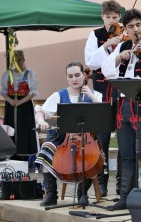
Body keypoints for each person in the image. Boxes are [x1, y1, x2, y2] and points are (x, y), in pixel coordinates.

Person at [102, 8, 141, 210]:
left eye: (138, 25)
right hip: (124, 106)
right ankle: (125, 198)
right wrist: (119, 57)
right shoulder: (124, 46)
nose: (136, 29)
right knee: (126, 153)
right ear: (125, 29)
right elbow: (107, 70)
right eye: (131, 26)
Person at [34, 62, 102, 206]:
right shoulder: (59, 95)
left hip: (86, 139)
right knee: (46, 149)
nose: (74, 79)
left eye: (77, 75)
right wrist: (41, 121)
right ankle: (51, 194)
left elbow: (104, 112)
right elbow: (40, 110)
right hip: (62, 138)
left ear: (84, 75)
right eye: (70, 76)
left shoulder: (95, 94)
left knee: (92, 158)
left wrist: (91, 96)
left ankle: (82, 193)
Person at [84, 0, 123, 196]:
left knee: (124, 137)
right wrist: (106, 45)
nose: (111, 21)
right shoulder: (95, 35)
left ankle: (122, 182)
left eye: (114, 17)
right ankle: (102, 180)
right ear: (102, 17)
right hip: (100, 90)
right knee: (103, 138)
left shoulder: (126, 33)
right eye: (108, 17)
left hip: (121, 89)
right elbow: (90, 62)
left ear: (119, 17)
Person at [1, 50, 39, 160]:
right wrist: (10, 100)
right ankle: (12, 154)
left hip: (25, 106)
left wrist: (19, 102)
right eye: (15, 61)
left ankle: (24, 155)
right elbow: (3, 91)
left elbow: (33, 92)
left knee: (24, 129)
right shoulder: (7, 74)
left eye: (19, 60)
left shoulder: (30, 74)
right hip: (11, 106)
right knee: (11, 127)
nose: (18, 62)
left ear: (23, 60)